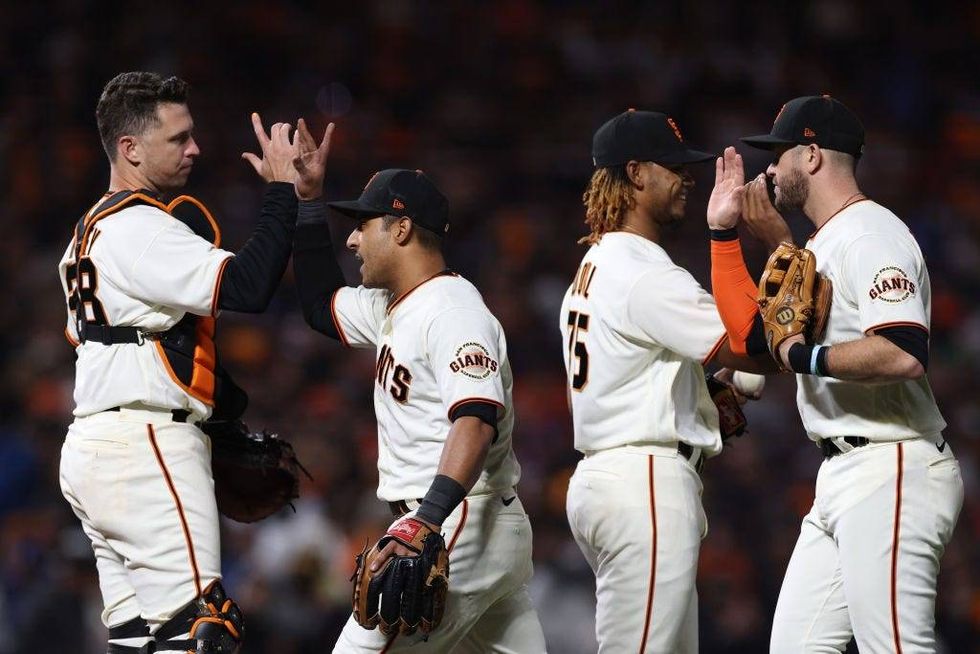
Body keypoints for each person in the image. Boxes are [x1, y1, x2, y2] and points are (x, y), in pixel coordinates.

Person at [57, 71, 303, 653]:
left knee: (136, 640)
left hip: (92, 449)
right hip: (145, 446)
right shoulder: (139, 226)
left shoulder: (83, 236)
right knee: (202, 634)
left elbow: (94, 339)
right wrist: (284, 191)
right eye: (178, 137)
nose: (194, 148)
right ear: (130, 148)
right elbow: (248, 284)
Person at [708, 94, 964, 652]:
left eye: (779, 154)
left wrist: (803, 358)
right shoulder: (821, 244)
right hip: (844, 475)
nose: (769, 169)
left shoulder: (871, 234)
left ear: (813, 154)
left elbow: (902, 351)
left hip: (893, 466)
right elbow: (780, 339)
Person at [289, 119, 548, 653]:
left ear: (401, 228)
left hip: (458, 518)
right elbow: (319, 306)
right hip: (471, 521)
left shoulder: (452, 310)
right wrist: (308, 200)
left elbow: (475, 421)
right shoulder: (394, 304)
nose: (353, 238)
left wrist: (425, 521)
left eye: (364, 224)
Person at [559, 109, 773, 653]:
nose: (688, 178)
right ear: (636, 174)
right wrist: (734, 236)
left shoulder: (596, 264)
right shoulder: (643, 272)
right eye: (673, 166)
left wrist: (710, 390)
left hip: (613, 476)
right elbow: (755, 347)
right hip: (644, 482)